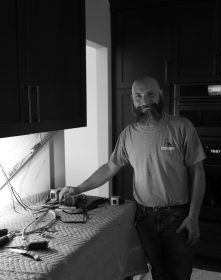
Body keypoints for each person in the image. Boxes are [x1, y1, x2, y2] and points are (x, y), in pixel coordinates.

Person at [59, 76, 206, 280]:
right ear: (132, 99)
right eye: (138, 96)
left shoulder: (181, 127)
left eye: (150, 94)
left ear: (160, 95)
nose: (144, 101)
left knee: (179, 273)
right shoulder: (128, 134)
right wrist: (77, 189)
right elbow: (111, 166)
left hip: (177, 217)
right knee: (158, 271)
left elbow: (197, 171)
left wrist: (194, 216)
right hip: (144, 217)